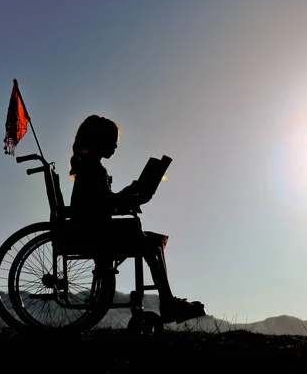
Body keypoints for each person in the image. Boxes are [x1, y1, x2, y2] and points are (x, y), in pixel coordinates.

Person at [68, 114, 205, 324]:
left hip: (92, 228)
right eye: (113, 141)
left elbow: (101, 202)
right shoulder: (92, 167)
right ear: (99, 139)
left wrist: (127, 195)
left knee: (151, 241)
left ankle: (168, 302)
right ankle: (168, 303)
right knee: (148, 240)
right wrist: (129, 193)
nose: (115, 146)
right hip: (93, 232)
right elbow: (101, 204)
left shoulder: (90, 166)